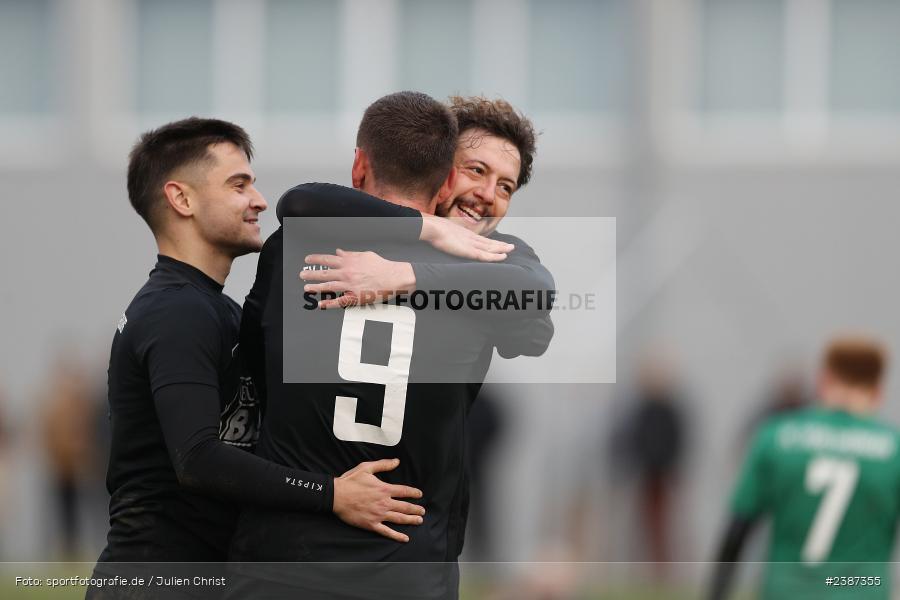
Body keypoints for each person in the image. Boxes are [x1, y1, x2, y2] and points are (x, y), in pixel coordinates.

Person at [228, 92, 554, 599]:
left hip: (281, 559)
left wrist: (406, 274)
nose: (488, 194)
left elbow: (253, 361)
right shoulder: (487, 272)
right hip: (407, 567)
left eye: (506, 186)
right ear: (441, 172)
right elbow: (535, 319)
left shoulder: (296, 243)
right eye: (476, 170)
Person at [87, 118, 431, 599]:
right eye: (239, 185)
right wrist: (333, 493)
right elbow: (198, 458)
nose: (259, 200)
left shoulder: (215, 308)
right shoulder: (175, 312)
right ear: (182, 199)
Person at [709, 336, 898, 600]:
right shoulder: (893, 448)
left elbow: (737, 531)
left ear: (823, 382)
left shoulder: (776, 437)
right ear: (878, 392)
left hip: (787, 590)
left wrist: (716, 594)